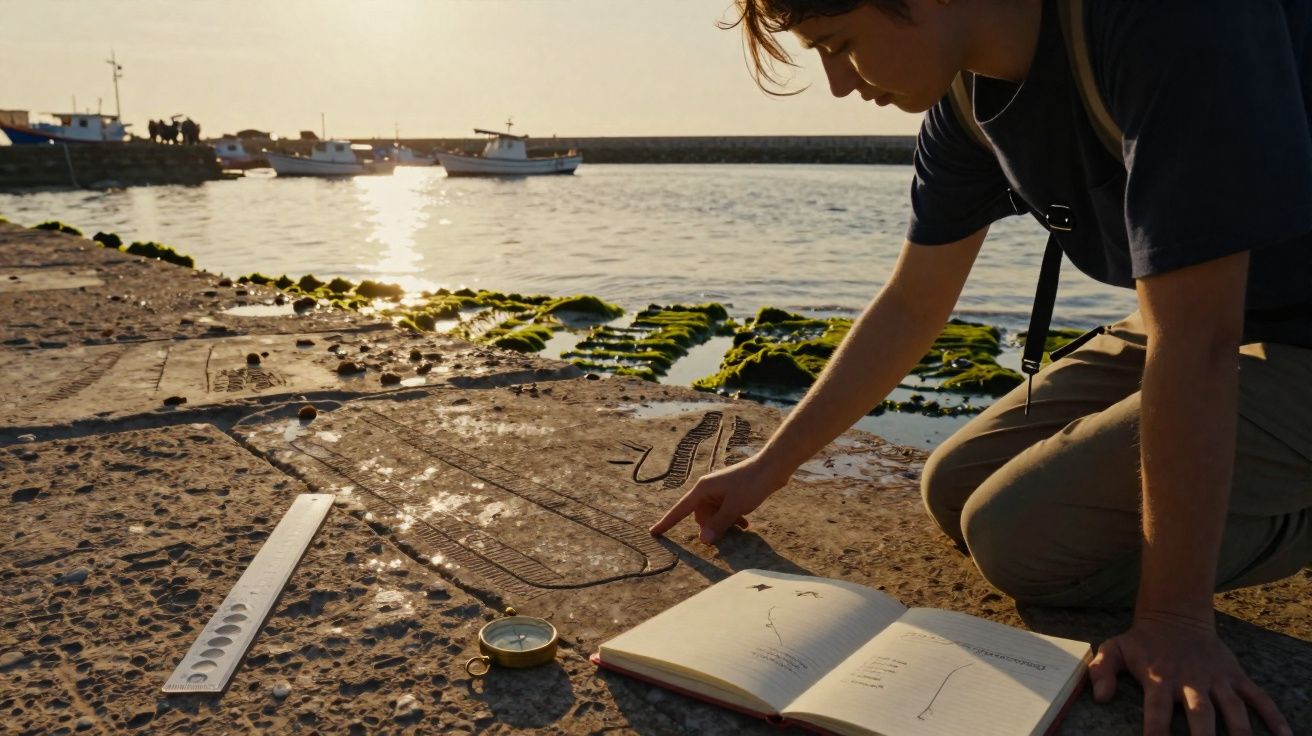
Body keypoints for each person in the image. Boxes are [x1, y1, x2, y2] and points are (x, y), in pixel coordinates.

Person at [650, 2, 1311, 734]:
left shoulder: (1166, 23)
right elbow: (911, 303)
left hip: (1254, 332)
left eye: (838, 46)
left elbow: (1199, 341)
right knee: (955, 485)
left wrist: (1175, 621)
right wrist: (766, 469)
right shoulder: (969, 96)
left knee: (1019, 536)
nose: (837, 84)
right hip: (1212, 316)